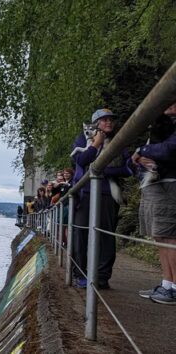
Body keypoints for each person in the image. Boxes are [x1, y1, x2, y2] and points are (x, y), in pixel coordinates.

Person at [71, 108, 133, 289]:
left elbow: (127, 168)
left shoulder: (118, 141)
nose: (109, 122)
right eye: (105, 120)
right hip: (86, 193)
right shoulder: (82, 139)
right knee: (81, 234)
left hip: (107, 195)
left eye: (111, 120)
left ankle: (102, 277)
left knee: (106, 236)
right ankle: (80, 274)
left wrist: (102, 171)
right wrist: (96, 144)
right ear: (96, 123)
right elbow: (81, 161)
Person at [133, 100, 176, 304]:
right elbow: (133, 159)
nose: (168, 104)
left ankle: (174, 288)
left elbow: (169, 150)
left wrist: (141, 151)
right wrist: (139, 157)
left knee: (170, 237)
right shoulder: (162, 123)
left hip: (170, 184)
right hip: (155, 184)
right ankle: (167, 284)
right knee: (160, 236)